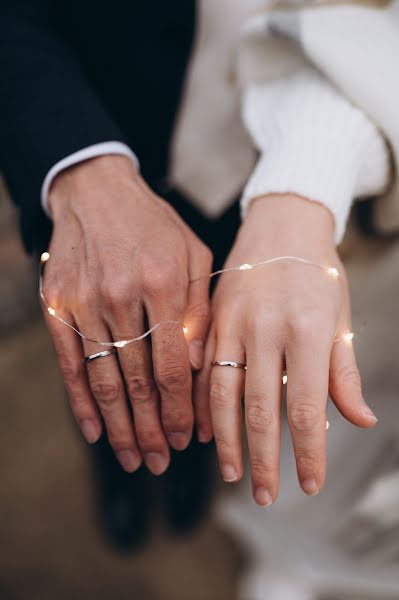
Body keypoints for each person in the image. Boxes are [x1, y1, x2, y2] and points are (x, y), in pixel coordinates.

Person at [0, 0, 398, 552]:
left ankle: (190, 460)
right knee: (105, 351)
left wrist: (304, 182)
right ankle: (121, 469)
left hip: (266, 167)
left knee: (226, 361)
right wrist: (77, 163)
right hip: (103, 118)